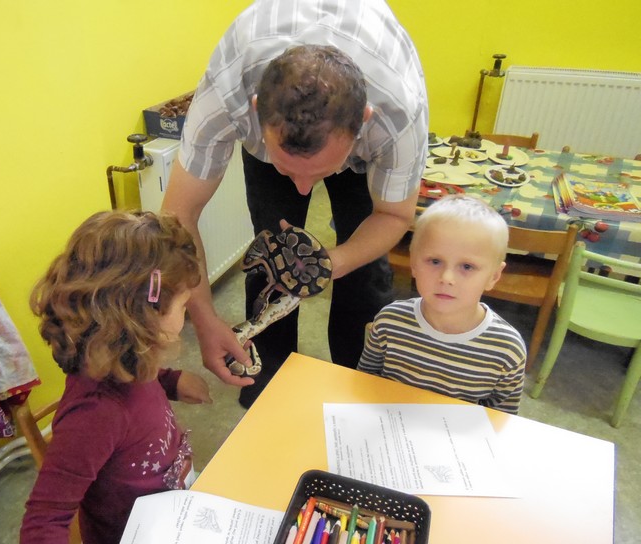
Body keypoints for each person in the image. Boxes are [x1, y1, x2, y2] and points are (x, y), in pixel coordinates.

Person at [162, 0, 429, 408]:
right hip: (277, 109)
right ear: (256, 111)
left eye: (320, 171)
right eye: (288, 169)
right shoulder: (229, 91)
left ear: (364, 120)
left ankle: (359, 388)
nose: (304, 190)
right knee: (269, 256)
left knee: (363, 275)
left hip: (363, 137)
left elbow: (394, 214)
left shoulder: (398, 114)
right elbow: (178, 217)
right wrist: (205, 321)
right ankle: (265, 389)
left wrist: (333, 263)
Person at [18, 211, 212, 544]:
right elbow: (46, 519)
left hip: (170, 516)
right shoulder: (95, 415)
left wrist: (170, 381)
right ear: (143, 318)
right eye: (183, 305)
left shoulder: (125, 356)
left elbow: (138, 378)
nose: (187, 313)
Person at [357, 196, 526, 414]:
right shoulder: (389, 321)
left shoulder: (507, 349)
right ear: (414, 263)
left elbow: (501, 418)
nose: (446, 278)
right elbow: (365, 383)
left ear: (494, 276)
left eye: (467, 266)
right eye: (435, 261)